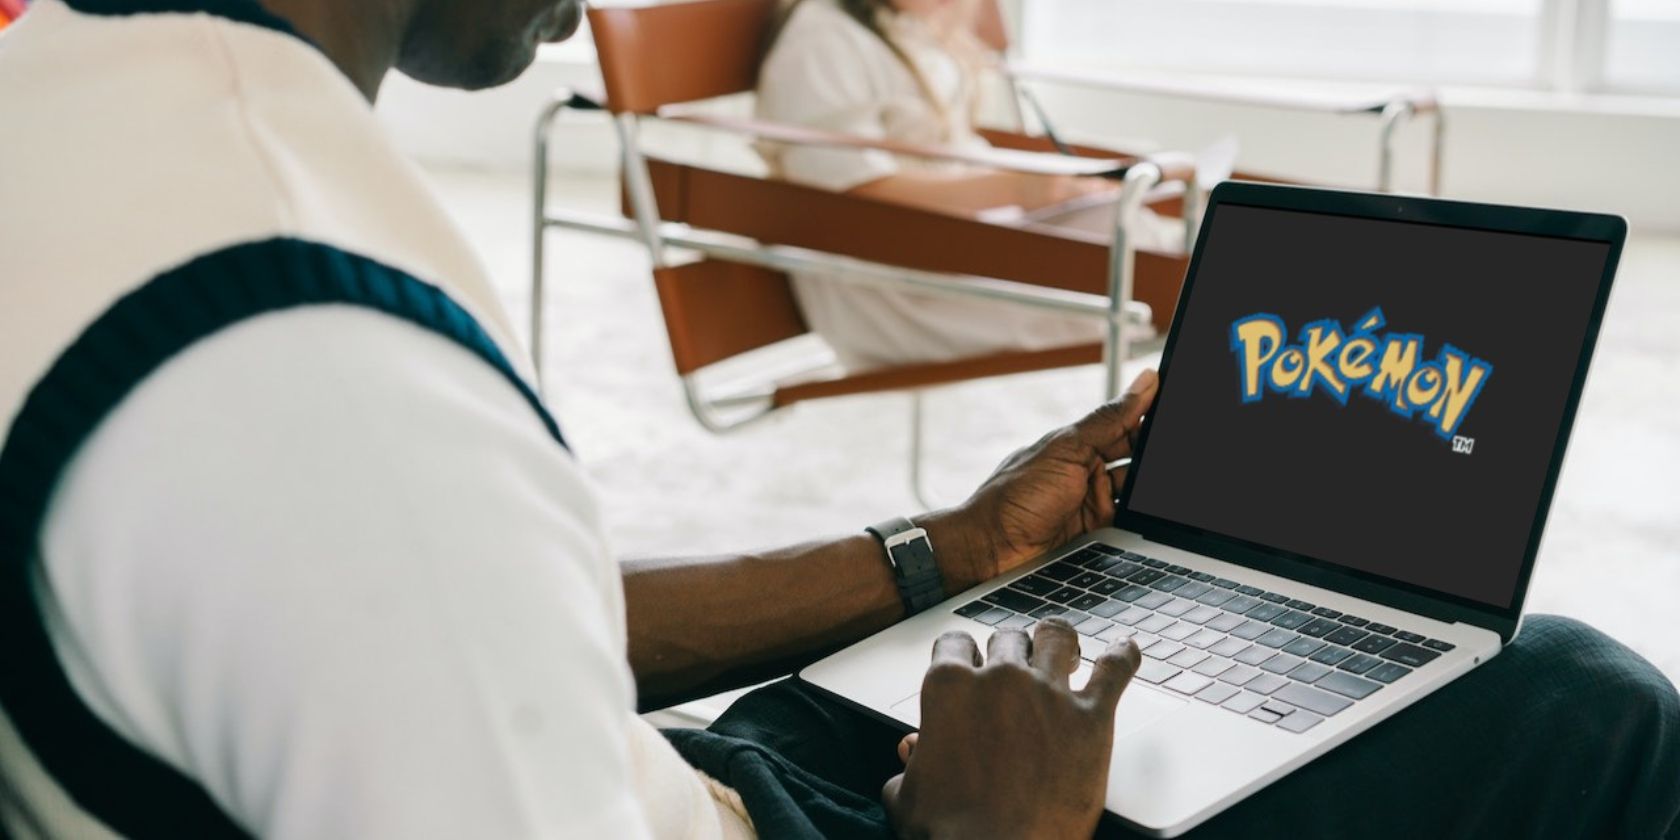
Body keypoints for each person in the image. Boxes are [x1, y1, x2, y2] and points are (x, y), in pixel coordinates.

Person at [0, 1, 1675, 839]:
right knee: (1584, 713)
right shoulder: (319, 353)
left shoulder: (71, 108)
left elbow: (491, 630)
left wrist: (940, 554)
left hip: (696, 772)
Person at [755, 0, 1181, 372]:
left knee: (1135, 231)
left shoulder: (909, 24)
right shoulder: (823, 41)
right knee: (1138, 250)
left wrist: (1048, 185)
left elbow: (950, 154)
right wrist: (1014, 188)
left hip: (954, 248)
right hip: (894, 285)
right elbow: (851, 194)